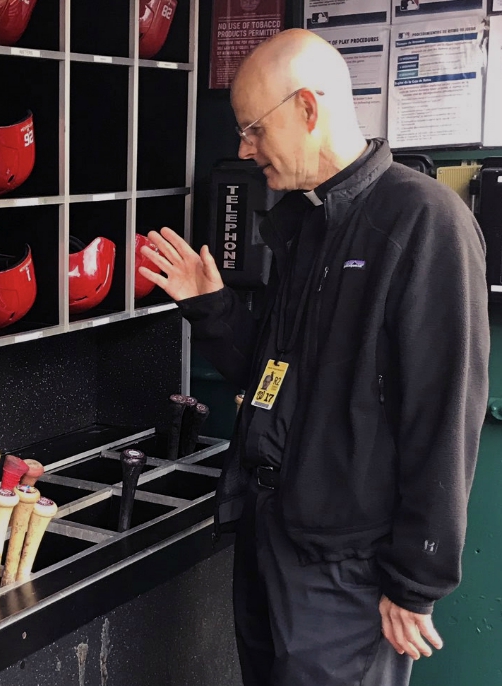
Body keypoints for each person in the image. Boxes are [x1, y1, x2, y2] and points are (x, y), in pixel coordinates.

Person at [139, 28, 490, 686]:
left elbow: (444, 415)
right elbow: (272, 379)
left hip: (349, 576)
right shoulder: (306, 224)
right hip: (272, 540)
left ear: (306, 108)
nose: (244, 149)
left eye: (252, 130)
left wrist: (416, 579)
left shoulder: (422, 223)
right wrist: (210, 305)